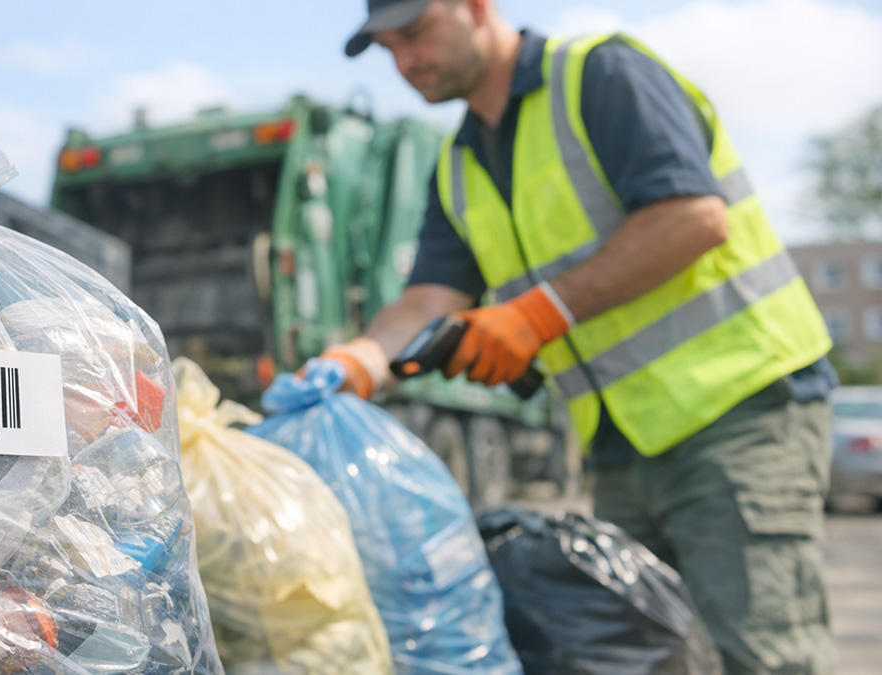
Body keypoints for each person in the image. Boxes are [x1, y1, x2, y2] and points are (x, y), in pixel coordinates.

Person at [322, 0, 839, 673]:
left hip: (737, 414)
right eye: (388, 48)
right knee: (646, 656)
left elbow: (693, 216)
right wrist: (353, 363)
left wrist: (534, 316)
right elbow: (427, 299)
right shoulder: (457, 166)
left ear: (476, 8)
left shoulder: (599, 77)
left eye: (415, 33)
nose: (405, 61)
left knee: (761, 656)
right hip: (626, 447)